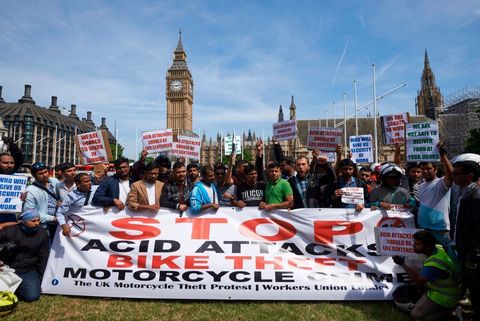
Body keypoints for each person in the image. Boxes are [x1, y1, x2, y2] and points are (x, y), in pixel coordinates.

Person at [393, 230, 460, 321]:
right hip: (442, 290)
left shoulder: (434, 263)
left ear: (427, 247)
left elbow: (419, 280)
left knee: (416, 315)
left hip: (445, 296)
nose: (414, 246)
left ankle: (450, 312)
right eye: (414, 243)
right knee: (413, 274)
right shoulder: (437, 248)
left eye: (417, 244)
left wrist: (402, 264)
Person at [451, 154, 480, 319]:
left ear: (469, 176)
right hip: (464, 249)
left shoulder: (476, 195)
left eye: (456, 174)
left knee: (476, 289)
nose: (453, 176)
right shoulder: (465, 192)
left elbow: (478, 228)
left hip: (473, 253)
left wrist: (474, 255)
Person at [0, 209, 49, 302]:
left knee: (33, 296)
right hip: (6, 268)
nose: (37, 223)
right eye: (33, 220)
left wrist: (41, 280)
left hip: (27, 270)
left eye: (38, 220)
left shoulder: (42, 233)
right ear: (24, 221)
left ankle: (15, 287)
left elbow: (43, 257)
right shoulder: (9, 231)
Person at [417, 143, 453, 247]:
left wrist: (443, 156)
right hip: (424, 229)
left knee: (443, 261)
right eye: (423, 169)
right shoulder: (421, 186)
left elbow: (451, 175)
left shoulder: (441, 183)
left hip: (440, 230)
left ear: (435, 169)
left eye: (428, 168)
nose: (425, 171)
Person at [23, 162, 59, 242]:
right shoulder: (30, 190)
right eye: (41, 173)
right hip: (45, 226)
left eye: (46, 172)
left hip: (59, 223)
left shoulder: (55, 181)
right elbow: (30, 213)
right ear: (34, 175)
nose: (45, 175)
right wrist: (53, 218)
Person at [0, 138, 25, 224]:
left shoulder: (13, 177)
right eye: (5, 163)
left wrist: (12, 146)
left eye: (11, 163)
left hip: (10, 220)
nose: (9, 165)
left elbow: (19, 158)